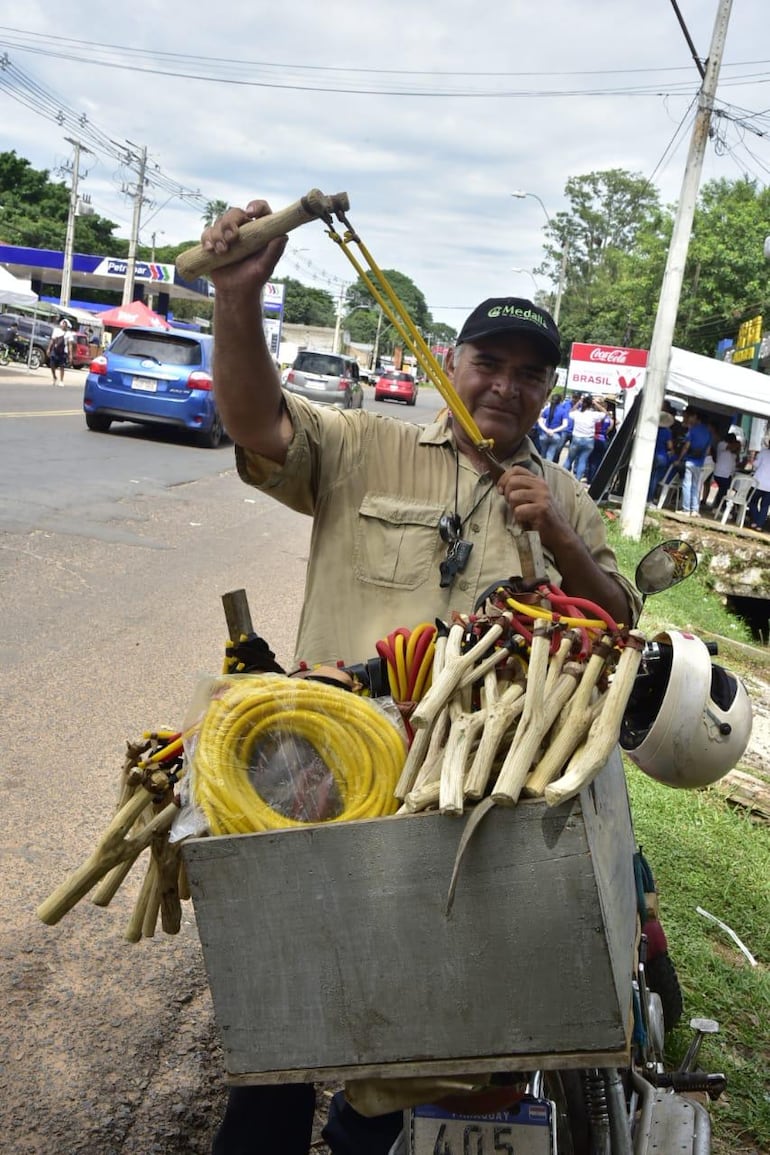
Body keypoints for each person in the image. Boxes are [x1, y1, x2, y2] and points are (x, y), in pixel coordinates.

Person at [200, 198, 641, 1155]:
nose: (506, 388)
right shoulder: (365, 444)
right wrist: (239, 300)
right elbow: (259, 423)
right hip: (318, 781)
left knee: (412, 1045)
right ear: (451, 357)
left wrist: (556, 533)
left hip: (459, 807)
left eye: (531, 376)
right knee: (288, 1021)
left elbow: (619, 625)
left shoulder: (562, 493)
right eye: (489, 363)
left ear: (549, 391)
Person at [676, 407, 712, 516]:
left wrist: (679, 459)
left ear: (697, 418)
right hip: (699, 463)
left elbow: (686, 446)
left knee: (687, 484)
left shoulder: (693, 430)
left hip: (690, 461)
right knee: (696, 486)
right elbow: (708, 450)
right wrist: (701, 459)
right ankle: (695, 510)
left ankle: (686, 509)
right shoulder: (708, 433)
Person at [565, 394, 608, 482]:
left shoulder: (577, 414)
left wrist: (578, 403)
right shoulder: (593, 415)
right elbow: (605, 413)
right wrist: (596, 403)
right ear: (591, 405)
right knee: (582, 460)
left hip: (576, 438)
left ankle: (563, 476)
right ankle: (577, 480)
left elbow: (570, 412)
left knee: (569, 459)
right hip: (588, 440)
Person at [537, 389, 572, 463]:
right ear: (560, 401)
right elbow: (565, 425)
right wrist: (553, 431)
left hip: (544, 434)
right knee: (550, 455)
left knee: (542, 455)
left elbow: (540, 421)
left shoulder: (547, 409)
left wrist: (546, 430)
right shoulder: (563, 411)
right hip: (556, 435)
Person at [647, 412, 675, 504]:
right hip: (662, 456)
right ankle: (650, 498)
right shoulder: (667, 432)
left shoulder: (653, 429)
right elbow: (670, 446)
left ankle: (647, 496)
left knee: (650, 477)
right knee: (655, 478)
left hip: (652, 454)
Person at [586, 398, 616, 484]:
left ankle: (590, 479)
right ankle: (595, 479)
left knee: (591, 461)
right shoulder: (608, 417)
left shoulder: (594, 416)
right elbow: (609, 428)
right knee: (598, 461)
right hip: (603, 439)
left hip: (594, 438)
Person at [710, 433, 740, 509]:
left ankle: (718, 505)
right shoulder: (722, 444)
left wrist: (738, 449)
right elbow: (731, 448)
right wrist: (738, 444)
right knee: (723, 490)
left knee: (723, 490)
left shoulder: (733, 451)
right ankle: (720, 506)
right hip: (721, 473)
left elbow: (737, 459)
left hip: (727, 473)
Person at [747, 437, 770, 531]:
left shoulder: (764, 453)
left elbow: (755, 465)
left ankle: (755, 521)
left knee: (752, 501)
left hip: (758, 483)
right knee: (765, 506)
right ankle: (759, 525)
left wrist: (753, 458)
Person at [46, 318, 71, 384]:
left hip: (63, 351)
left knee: (62, 366)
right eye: (63, 324)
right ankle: (54, 377)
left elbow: (69, 344)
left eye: (65, 324)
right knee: (52, 364)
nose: (64, 325)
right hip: (55, 349)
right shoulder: (56, 331)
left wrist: (70, 354)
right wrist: (49, 349)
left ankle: (61, 380)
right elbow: (52, 340)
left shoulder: (68, 333)